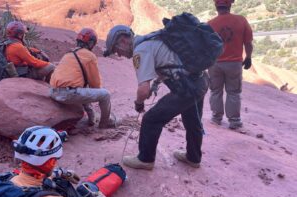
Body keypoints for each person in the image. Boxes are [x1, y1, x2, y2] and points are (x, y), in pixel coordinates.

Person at [11, 126, 198, 197]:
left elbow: (34, 178)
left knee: (87, 190)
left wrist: (60, 173)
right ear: (51, 161)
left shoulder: (8, 180)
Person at [103, 25, 209, 169]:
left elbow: (143, 89)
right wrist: (156, 84)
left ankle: (145, 159)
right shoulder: (152, 39)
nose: (119, 54)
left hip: (186, 88)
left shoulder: (140, 50)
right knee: (192, 121)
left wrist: (138, 103)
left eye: (116, 50)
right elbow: (165, 61)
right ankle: (193, 157)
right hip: (201, 80)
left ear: (122, 41)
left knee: (151, 119)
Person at [50, 28, 116, 129]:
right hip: (68, 94)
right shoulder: (89, 56)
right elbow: (95, 85)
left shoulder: (68, 54)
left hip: (53, 93)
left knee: (81, 88)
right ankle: (104, 124)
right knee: (105, 95)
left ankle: (91, 118)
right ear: (91, 43)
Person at [208, 0, 254, 129]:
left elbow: (206, 46)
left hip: (215, 63)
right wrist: (249, 57)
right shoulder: (241, 20)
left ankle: (216, 118)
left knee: (215, 91)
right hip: (234, 63)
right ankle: (234, 121)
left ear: (216, 6)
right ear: (230, 5)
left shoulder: (210, 24)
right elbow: (248, 43)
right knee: (233, 92)